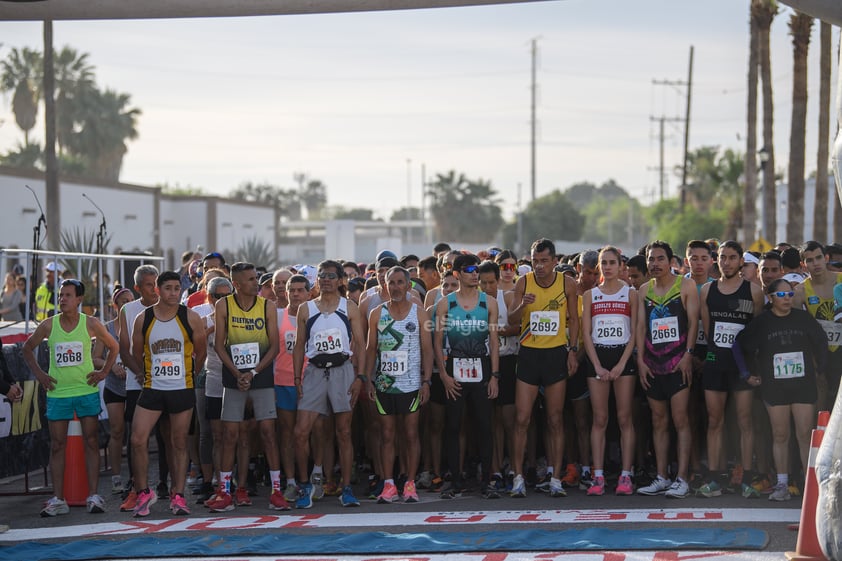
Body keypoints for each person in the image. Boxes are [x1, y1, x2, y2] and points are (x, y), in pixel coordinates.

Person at [23, 278, 119, 516]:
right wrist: (41, 375)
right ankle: (58, 499)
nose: (62, 299)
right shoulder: (48, 325)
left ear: (79, 299)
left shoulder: (91, 324)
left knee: (92, 442)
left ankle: (94, 496)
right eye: (60, 295)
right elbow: (27, 348)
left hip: (86, 391)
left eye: (67, 295)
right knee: (57, 445)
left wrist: (104, 372)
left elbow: (113, 347)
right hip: (59, 393)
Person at [734, 279, 827, 501]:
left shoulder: (804, 319)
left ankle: (809, 485)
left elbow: (822, 341)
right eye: (782, 295)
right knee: (780, 434)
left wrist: (820, 369)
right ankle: (782, 483)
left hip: (803, 386)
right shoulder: (763, 322)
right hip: (775, 387)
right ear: (770, 297)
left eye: (790, 294)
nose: (787, 298)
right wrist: (746, 374)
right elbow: (738, 345)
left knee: (805, 434)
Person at [205, 262, 287, 512]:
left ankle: (276, 490)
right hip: (233, 375)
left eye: (256, 278)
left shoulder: (267, 306)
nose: (257, 283)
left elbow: (274, 346)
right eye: (251, 279)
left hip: (259, 374)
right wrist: (237, 373)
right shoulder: (223, 305)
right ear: (237, 284)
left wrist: (252, 372)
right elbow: (219, 344)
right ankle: (225, 490)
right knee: (229, 434)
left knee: (268, 433)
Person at [127, 271, 207, 517]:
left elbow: (201, 353)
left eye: (177, 288)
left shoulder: (190, 317)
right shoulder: (144, 318)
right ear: (157, 290)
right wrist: (145, 374)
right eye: (168, 288)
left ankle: (179, 494)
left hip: (181, 388)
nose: (174, 293)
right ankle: (143, 492)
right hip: (153, 387)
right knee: (138, 439)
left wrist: (190, 375)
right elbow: (136, 352)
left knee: (179, 442)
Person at [507, 238, 579, 498]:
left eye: (544, 261)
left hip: (555, 356)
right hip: (528, 355)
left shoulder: (567, 283)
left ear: (555, 261)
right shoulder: (523, 282)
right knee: (522, 419)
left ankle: (556, 478)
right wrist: (523, 304)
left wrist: (572, 351)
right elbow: (513, 320)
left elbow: (574, 320)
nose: (538, 266)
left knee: (555, 419)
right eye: (535, 261)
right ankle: (517, 478)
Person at [292, 260, 366, 508]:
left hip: (342, 371)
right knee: (301, 431)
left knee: (343, 432)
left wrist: (360, 377)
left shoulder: (349, 308)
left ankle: (346, 488)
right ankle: (304, 485)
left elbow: (361, 344)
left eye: (331, 276)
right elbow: (299, 345)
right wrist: (296, 378)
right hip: (314, 372)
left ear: (340, 280)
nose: (326, 280)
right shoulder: (306, 309)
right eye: (322, 276)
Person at [697, 241, 764, 499]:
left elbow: (756, 332)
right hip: (715, 360)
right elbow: (708, 329)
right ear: (717, 260)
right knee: (715, 421)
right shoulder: (707, 291)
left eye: (732, 258)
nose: (726, 262)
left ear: (740, 262)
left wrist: (753, 368)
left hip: (743, 366)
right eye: (722, 257)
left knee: (744, 421)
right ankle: (714, 479)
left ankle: (747, 478)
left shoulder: (754, 292)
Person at [635, 241, 698, 499]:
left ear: (670, 261)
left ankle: (681, 478)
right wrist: (640, 360)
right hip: (652, 364)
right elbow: (640, 327)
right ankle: (662, 476)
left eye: (660, 259)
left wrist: (688, 355)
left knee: (680, 419)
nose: (655, 264)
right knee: (658, 421)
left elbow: (694, 323)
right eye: (651, 259)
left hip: (678, 363)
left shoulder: (685, 285)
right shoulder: (643, 289)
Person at [434, 253, 500, 499]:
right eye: (470, 269)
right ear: (457, 274)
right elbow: (438, 341)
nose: (475, 274)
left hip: (481, 367)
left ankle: (487, 482)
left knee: (484, 426)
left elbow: (494, 342)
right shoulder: (446, 304)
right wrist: (443, 375)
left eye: (477, 269)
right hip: (455, 369)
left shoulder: (489, 303)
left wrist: (494, 376)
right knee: (453, 426)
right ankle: (455, 481)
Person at [365, 266, 434, 503]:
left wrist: (426, 381)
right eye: (390, 283)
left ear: (408, 285)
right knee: (387, 434)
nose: (395, 287)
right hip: (385, 385)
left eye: (399, 282)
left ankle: (410, 484)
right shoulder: (376, 313)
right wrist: (368, 379)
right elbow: (370, 349)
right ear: (385, 285)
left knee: (411, 434)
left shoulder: (419, 313)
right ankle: (389, 484)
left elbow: (427, 349)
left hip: (412, 384)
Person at [582, 246, 638, 496]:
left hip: (622, 357)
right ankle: (598, 476)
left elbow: (635, 332)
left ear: (620, 266)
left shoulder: (631, 294)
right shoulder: (590, 295)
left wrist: (620, 365)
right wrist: (596, 365)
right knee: (600, 418)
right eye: (603, 262)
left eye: (612, 262)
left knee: (624, 417)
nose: (607, 266)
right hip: (598, 357)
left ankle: (626, 475)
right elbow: (586, 333)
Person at [117, 264, 160, 512]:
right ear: (137, 287)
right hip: (138, 382)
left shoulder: (171, 306)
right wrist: (140, 373)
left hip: (167, 381)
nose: (154, 289)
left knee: (169, 438)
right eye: (148, 284)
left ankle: (169, 488)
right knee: (137, 438)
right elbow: (125, 348)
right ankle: (136, 488)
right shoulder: (129, 309)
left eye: (156, 283)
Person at [92, 286, 135, 495]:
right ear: (116, 306)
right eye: (123, 301)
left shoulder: (141, 324)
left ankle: (136, 477)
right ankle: (117, 476)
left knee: (137, 433)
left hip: (136, 385)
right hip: (114, 386)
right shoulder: (106, 329)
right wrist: (112, 366)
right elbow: (95, 357)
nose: (127, 304)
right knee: (117, 431)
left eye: (131, 300)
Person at [792, 241, 842, 412]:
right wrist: (812, 360)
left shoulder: (841, 280)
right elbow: (798, 331)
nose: (816, 263)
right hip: (821, 352)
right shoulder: (800, 291)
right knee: (822, 401)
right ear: (803, 265)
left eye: (819, 258)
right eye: (810, 260)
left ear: (826, 258)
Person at [274, 273, 311, 502]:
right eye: (291, 289)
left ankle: (313, 477)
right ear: (286, 293)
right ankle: (290, 481)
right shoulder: (277, 317)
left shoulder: (315, 315)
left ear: (309, 293)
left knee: (311, 434)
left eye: (300, 290)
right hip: (283, 382)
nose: (295, 294)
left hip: (310, 383)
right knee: (287, 434)